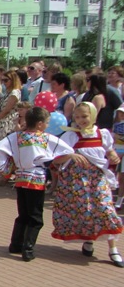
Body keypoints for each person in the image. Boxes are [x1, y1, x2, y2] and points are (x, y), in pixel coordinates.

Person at [0, 107, 87, 262]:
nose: (48, 125)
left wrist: (5, 167)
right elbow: (62, 152)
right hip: (36, 179)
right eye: (47, 122)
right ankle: (28, 249)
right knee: (36, 218)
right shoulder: (45, 138)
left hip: (21, 178)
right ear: (39, 124)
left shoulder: (17, 136)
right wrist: (70, 155)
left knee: (23, 214)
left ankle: (15, 244)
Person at [51, 102, 123, 266]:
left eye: (84, 116)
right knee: (86, 211)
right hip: (76, 180)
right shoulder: (70, 136)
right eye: (77, 117)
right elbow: (56, 158)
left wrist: (113, 156)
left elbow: (109, 151)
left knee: (106, 209)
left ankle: (113, 249)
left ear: (93, 115)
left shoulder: (102, 134)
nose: (81, 120)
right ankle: (88, 240)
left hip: (97, 178)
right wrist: (70, 156)